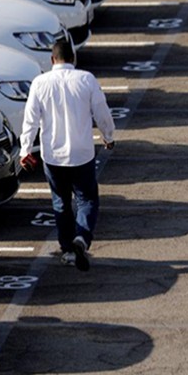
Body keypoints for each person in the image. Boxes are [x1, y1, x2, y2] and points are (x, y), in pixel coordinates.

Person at [19, 38, 115, 271]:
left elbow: (30, 120)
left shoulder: (40, 83)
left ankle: (67, 248)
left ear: (52, 60)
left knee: (60, 202)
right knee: (87, 199)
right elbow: (101, 111)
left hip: (53, 155)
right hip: (81, 153)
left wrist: (25, 149)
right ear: (73, 58)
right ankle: (81, 238)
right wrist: (108, 135)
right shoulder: (86, 79)